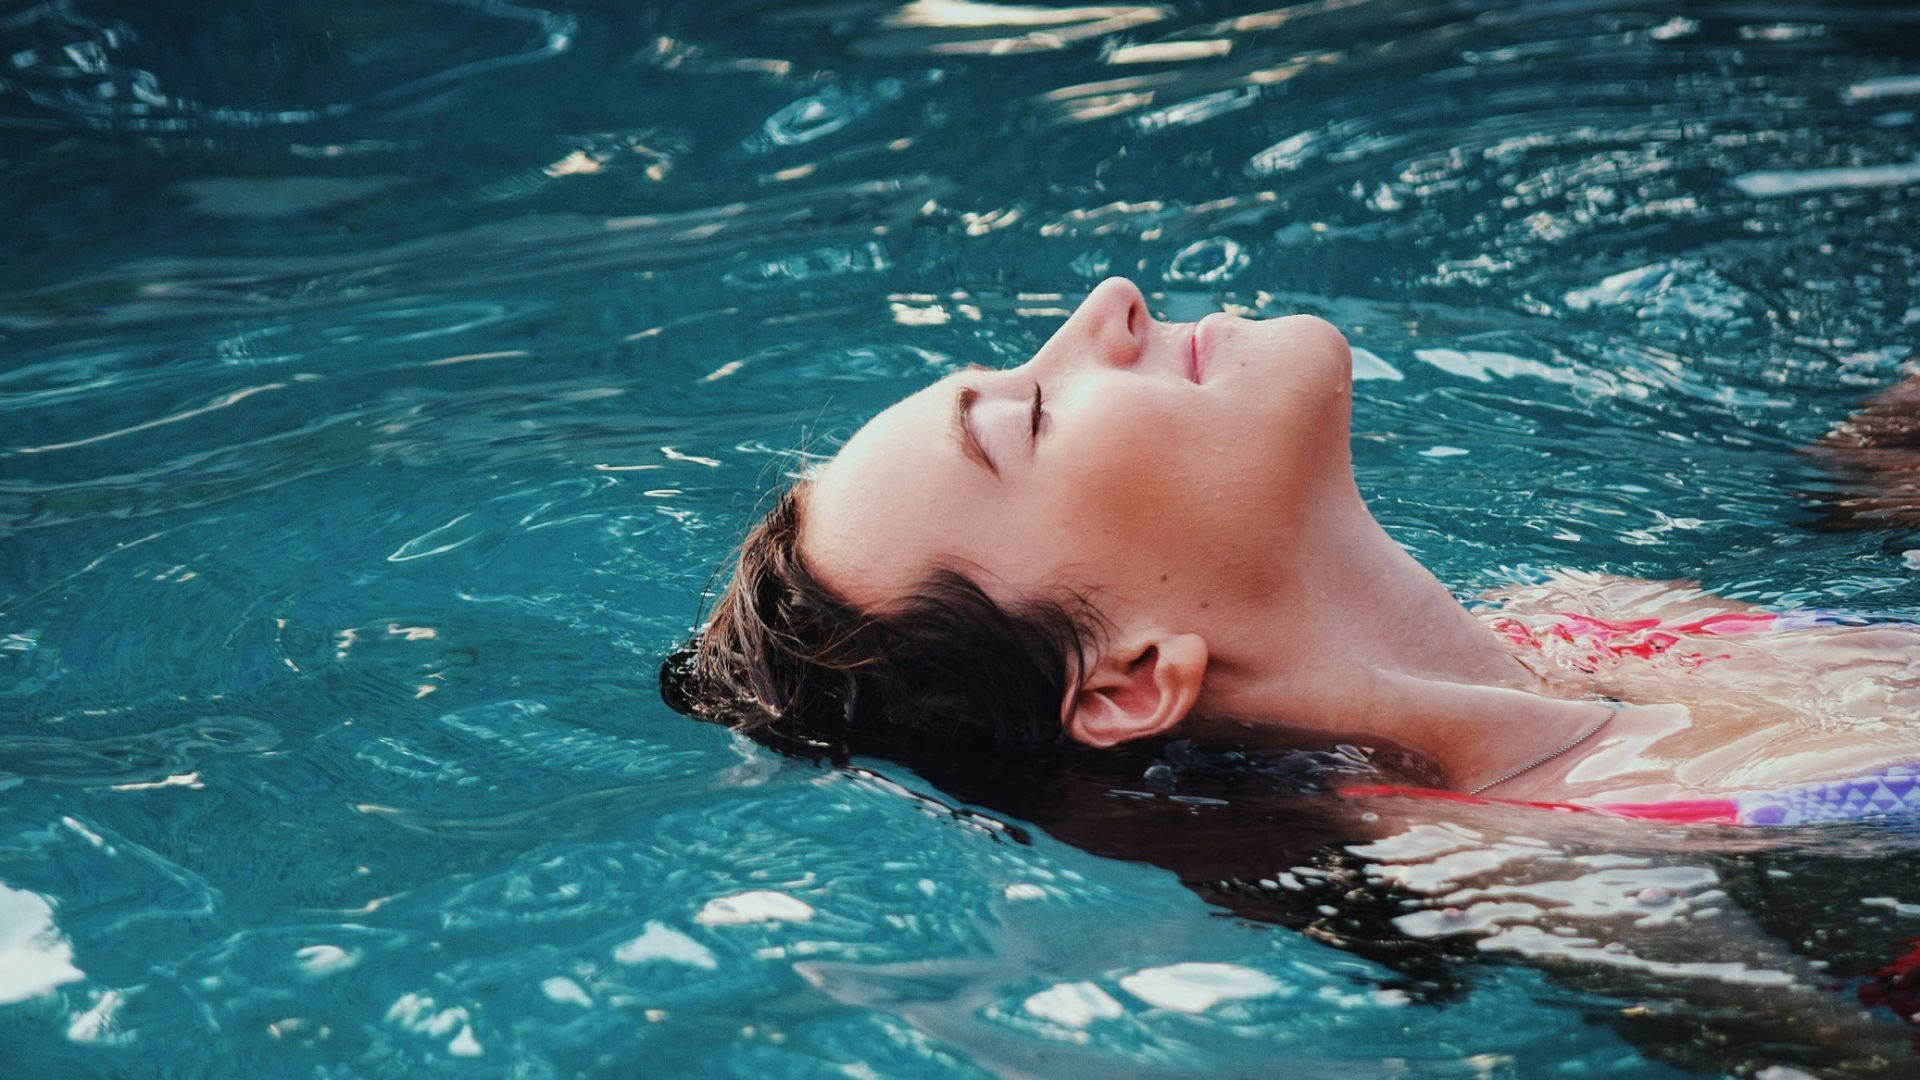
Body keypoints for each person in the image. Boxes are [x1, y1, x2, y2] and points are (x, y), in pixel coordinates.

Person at [663, 276, 1920, 820]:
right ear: (1127, 681)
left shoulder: (1581, 617)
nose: (1110, 306)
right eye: (1032, 416)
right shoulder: (1568, 857)